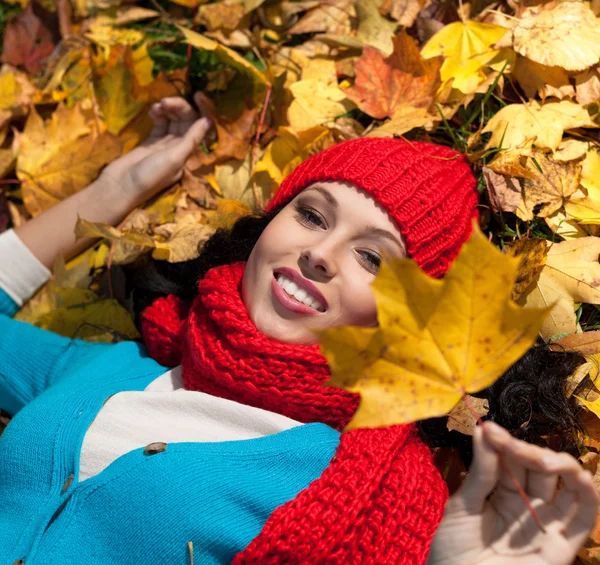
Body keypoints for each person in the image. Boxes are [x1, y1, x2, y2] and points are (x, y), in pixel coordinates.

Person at [0, 95, 596, 565]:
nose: (321, 254)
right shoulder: (115, 366)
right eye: (311, 215)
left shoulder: (364, 494)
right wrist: (115, 190)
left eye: (372, 259)